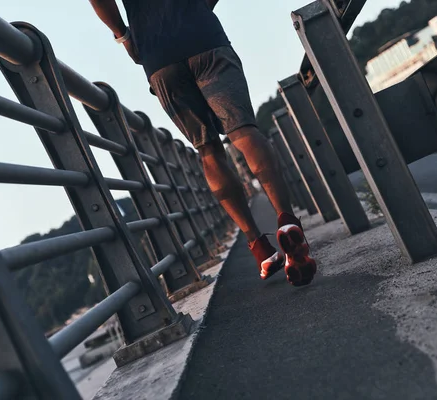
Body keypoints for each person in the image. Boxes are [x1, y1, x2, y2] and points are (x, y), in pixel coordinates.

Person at [88, 0, 316, 286]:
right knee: (243, 132)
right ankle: (286, 220)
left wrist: (124, 36)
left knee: (208, 151)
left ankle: (259, 247)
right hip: (205, 38)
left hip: (157, 54)